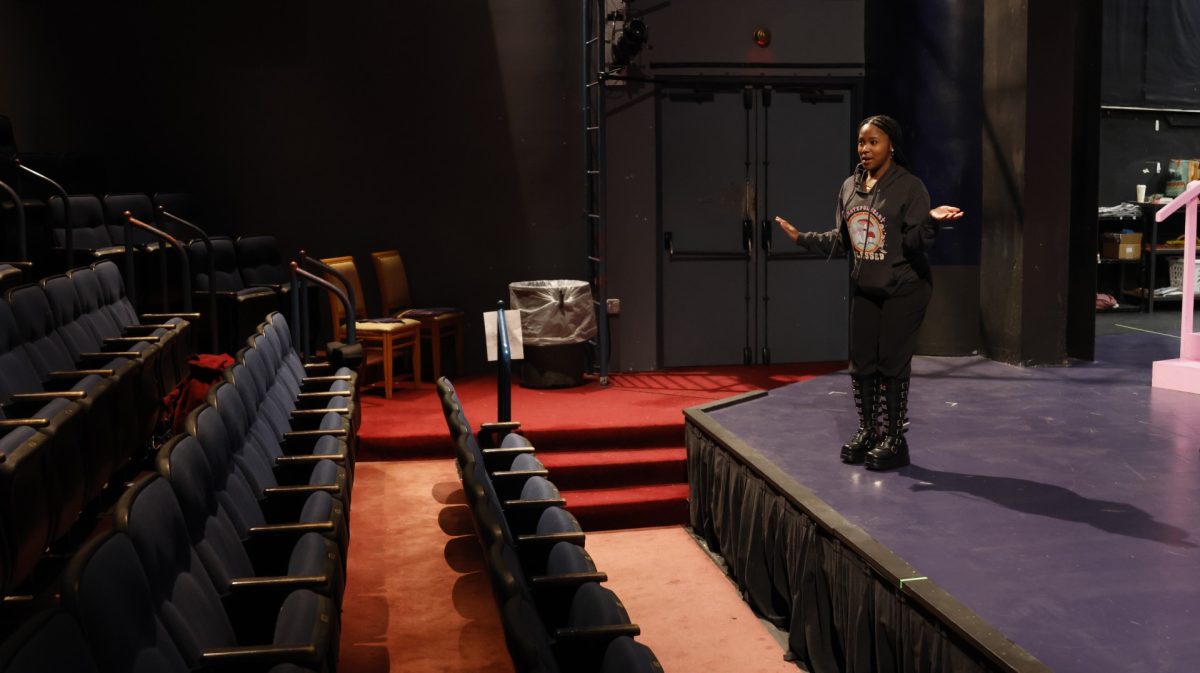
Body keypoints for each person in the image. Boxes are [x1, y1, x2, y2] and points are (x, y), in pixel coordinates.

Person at [775, 115, 962, 471]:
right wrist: (802, 238)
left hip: (905, 287)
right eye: (861, 142)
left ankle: (894, 438)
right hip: (867, 286)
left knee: (891, 364)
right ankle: (868, 430)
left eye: (873, 142)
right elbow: (844, 239)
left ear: (891, 145)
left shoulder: (909, 186)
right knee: (862, 365)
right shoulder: (850, 187)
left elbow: (913, 242)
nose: (865, 149)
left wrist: (931, 221)